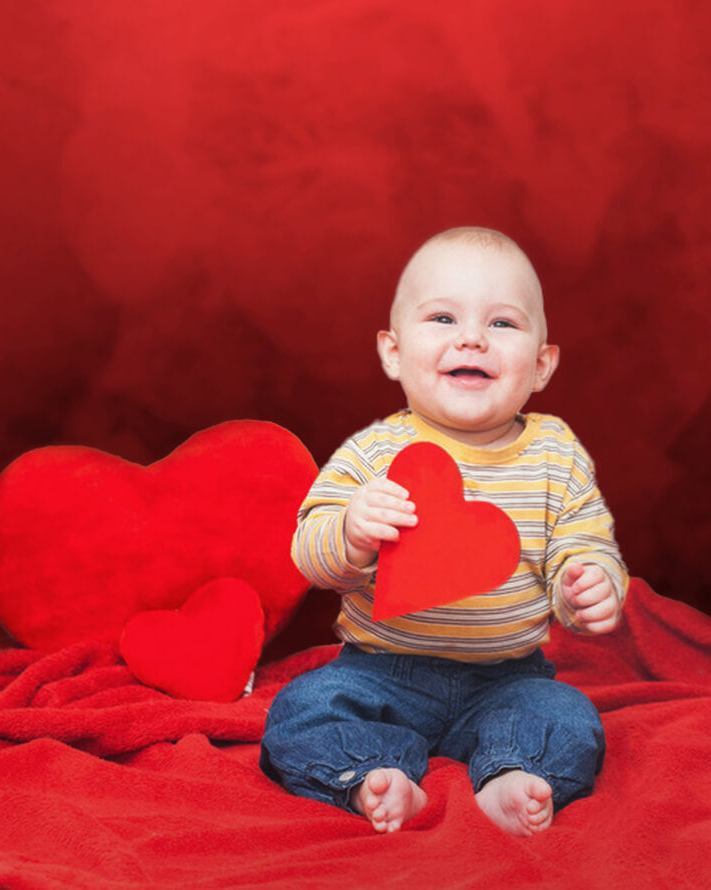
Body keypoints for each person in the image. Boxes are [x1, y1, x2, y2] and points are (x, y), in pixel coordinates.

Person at [260, 226, 628, 837]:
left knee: (569, 718)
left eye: (503, 324)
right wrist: (351, 534)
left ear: (541, 365)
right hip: (378, 671)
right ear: (393, 352)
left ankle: (513, 773)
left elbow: (582, 540)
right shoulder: (375, 452)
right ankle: (373, 777)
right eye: (442, 318)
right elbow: (309, 552)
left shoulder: (555, 456)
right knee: (303, 710)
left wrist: (586, 583)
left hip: (508, 678)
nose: (472, 339)